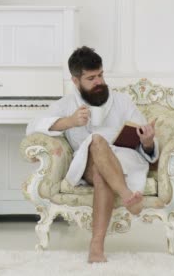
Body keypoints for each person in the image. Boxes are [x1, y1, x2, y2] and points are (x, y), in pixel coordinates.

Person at [26, 46, 159, 263]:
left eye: (100, 75)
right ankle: (128, 196)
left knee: (101, 175)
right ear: (76, 81)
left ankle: (96, 246)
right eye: (91, 78)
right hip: (85, 163)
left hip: (123, 160)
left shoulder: (122, 101)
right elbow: (32, 127)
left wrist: (148, 141)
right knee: (97, 141)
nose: (99, 82)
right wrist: (69, 121)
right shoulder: (67, 105)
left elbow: (144, 134)